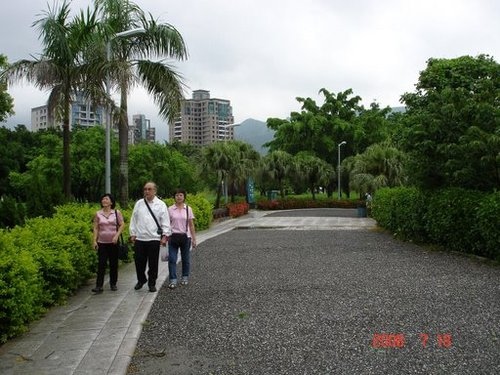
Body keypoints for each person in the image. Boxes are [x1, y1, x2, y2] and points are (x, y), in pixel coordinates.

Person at [129, 181, 171, 292]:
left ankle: (152, 283)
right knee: (139, 262)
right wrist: (132, 233)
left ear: (155, 191)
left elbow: (165, 222)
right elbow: (134, 219)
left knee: (153, 263)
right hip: (140, 238)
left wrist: (165, 236)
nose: (146, 191)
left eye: (149, 189)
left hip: (154, 238)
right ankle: (141, 279)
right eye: (145, 189)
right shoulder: (139, 203)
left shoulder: (161, 205)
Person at [92, 193, 125, 293]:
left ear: (111, 202)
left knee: (113, 264)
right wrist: (94, 240)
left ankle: (113, 283)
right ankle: (99, 286)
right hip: (102, 242)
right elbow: (96, 228)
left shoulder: (116, 212)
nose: (104, 201)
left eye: (106, 199)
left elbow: (122, 224)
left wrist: (116, 235)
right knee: (101, 264)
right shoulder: (98, 214)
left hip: (113, 242)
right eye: (103, 199)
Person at [167, 188, 197, 289]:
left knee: (186, 259)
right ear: (174, 197)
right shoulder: (170, 209)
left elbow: (191, 225)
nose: (178, 197)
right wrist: (164, 237)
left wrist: (194, 239)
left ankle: (185, 277)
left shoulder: (188, 209)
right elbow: (166, 224)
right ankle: (173, 279)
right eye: (176, 195)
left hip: (185, 237)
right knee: (172, 259)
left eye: (180, 195)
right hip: (173, 237)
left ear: (184, 197)